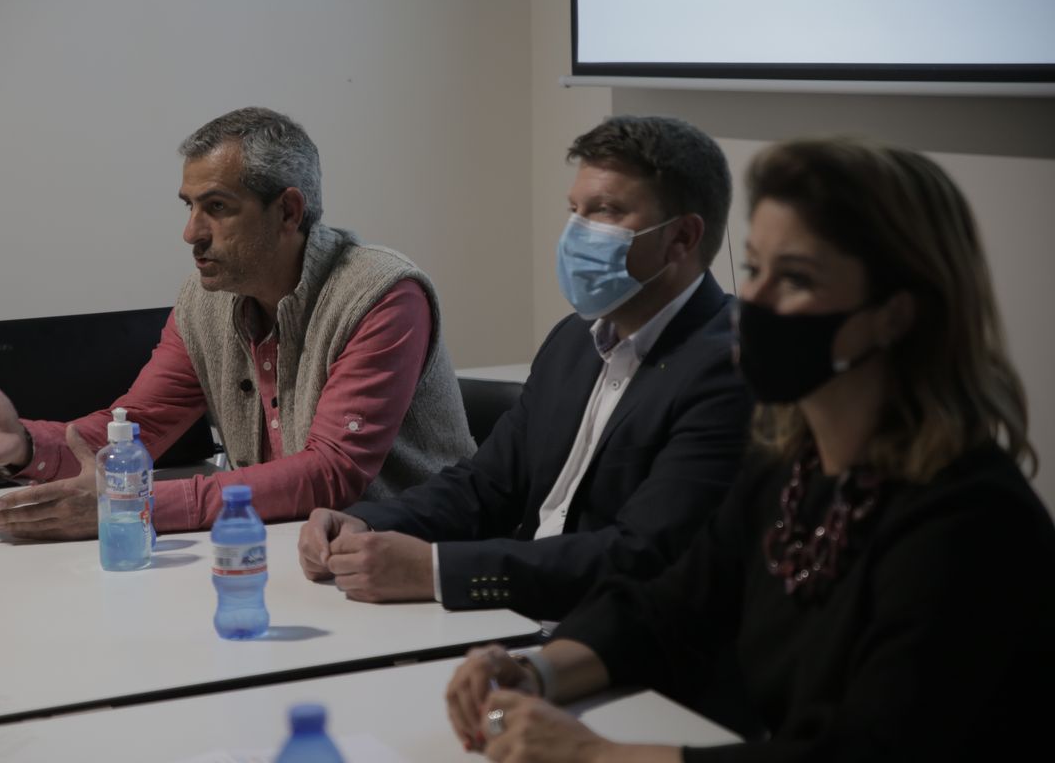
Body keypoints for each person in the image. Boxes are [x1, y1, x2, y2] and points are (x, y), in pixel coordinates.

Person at [445, 137, 1055, 762]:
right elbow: (664, 608)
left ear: (895, 315)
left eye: (795, 277)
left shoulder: (972, 524)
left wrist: (596, 755)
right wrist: (537, 674)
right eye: (756, 268)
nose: (753, 301)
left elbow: (863, 752)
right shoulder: (790, 468)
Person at [0, 106, 475, 539]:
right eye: (189, 206)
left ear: (289, 211)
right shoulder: (205, 301)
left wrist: (140, 505)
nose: (191, 232)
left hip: (415, 551)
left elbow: (332, 473)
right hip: (290, 546)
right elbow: (139, 426)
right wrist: (24, 445)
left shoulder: (382, 295)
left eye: (217, 207)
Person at [298, 116, 753, 621]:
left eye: (605, 212)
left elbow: (643, 555)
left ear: (683, 238)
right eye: (574, 210)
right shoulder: (573, 341)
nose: (577, 233)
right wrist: (365, 520)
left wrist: (437, 570)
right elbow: (488, 485)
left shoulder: (729, 367)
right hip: (516, 619)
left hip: (620, 642)